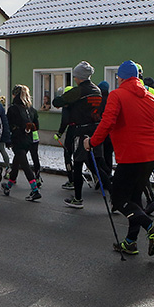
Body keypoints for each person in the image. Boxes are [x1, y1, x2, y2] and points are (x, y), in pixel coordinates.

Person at [86, 60, 154, 256]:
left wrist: (92, 142)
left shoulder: (117, 95)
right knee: (134, 198)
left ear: (121, 77)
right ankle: (131, 242)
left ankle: (151, 227)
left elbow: (107, 123)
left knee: (118, 199)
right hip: (151, 155)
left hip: (131, 156)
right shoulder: (151, 97)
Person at [53, 61, 105, 209]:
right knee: (96, 167)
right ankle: (113, 196)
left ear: (79, 77)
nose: (74, 78)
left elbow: (57, 101)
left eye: (75, 76)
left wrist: (65, 101)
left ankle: (78, 198)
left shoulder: (78, 91)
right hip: (95, 130)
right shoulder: (97, 90)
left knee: (78, 163)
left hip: (80, 131)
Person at [2, 85, 41, 201]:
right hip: (29, 139)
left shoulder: (13, 109)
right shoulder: (31, 109)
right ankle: (8, 185)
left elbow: (7, 125)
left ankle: (35, 190)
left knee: (24, 164)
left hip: (17, 139)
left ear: (15, 95)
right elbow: (37, 126)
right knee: (17, 162)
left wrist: (7, 140)